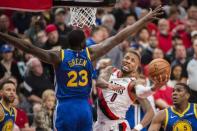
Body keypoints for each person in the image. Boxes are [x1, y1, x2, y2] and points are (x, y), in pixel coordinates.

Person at [0, 5, 163, 131]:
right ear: (84, 43)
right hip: (85, 108)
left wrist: (4, 36)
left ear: (68, 43)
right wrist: (144, 20)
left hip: (66, 108)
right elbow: (118, 37)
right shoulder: (90, 53)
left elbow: (28, 48)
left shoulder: (59, 56)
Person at [94, 49, 155, 131]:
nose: (128, 61)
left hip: (116, 126)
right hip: (99, 124)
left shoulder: (133, 85)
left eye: (133, 61)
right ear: (122, 60)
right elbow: (99, 82)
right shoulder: (110, 70)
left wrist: (137, 129)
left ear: (136, 68)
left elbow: (150, 112)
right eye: (127, 58)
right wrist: (109, 85)